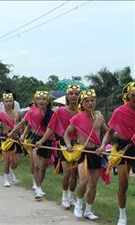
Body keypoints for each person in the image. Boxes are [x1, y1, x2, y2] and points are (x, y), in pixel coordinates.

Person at [64, 89, 108, 220]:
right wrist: (68, 145)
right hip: (83, 152)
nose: (90, 103)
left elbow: (107, 132)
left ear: (95, 101)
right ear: (82, 103)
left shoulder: (99, 117)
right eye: (87, 101)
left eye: (92, 100)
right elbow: (66, 134)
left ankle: (88, 210)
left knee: (93, 184)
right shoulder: (77, 118)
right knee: (83, 181)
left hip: (96, 153)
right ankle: (78, 205)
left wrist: (103, 145)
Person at [35, 85, 81, 208]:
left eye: (77, 94)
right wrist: (42, 140)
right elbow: (51, 128)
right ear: (67, 96)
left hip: (78, 145)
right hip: (64, 143)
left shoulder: (82, 113)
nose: (74, 96)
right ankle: (64, 196)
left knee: (75, 173)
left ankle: (71, 197)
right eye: (71, 93)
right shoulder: (59, 111)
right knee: (67, 172)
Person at [97, 82, 135, 225]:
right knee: (123, 183)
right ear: (127, 96)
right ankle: (122, 216)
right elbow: (110, 132)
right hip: (123, 149)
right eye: (134, 94)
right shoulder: (119, 112)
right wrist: (102, 145)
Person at [9, 90, 54, 200]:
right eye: (39, 99)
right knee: (37, 166)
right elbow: (24, 123)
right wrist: (13, 132)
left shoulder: (52, 114)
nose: (41, 101)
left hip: (47, 141)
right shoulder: (31, 112)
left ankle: (39, 185)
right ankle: (38, 189)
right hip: (35, 140)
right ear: (35, 101)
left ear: (48, 101)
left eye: (44, 99)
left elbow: (52, 129)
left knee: (43, 167)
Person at [0, 92, 22, 187]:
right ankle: (6, 178)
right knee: (7, 160)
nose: (8, 103)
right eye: (6, 101)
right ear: (3, 103)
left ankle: (11, 172)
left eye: (10, 101)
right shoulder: (0, 114)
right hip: (5, 138)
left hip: (16, 139)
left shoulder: (18, 114)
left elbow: (22, 125)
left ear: (13, 102)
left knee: (16, 162)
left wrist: (22, 135)